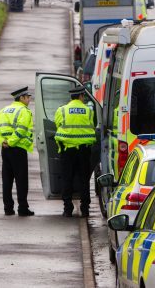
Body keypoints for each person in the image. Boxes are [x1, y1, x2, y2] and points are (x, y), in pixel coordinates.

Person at [0, 86, 35, 216]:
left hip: (5, 150)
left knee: (7, 179)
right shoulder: (24, 111)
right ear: (21, 98)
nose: (29, 100)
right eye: (28, 97)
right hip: (18, 148)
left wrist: (2, 142)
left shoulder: (3, 110)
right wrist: (11, 142)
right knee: (21, 180)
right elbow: (21, 130)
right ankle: (22, 208)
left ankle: (8, 208)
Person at [54, 85, 96, 217]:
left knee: (67, 179)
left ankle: (67, 209)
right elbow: (92, 126)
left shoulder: (62, 110)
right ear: (81, 96)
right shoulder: (88, 111)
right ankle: (85, 209)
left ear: (71, 97)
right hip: (84, 151)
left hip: (67, 151)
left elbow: (57, 124)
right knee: (84, 180)